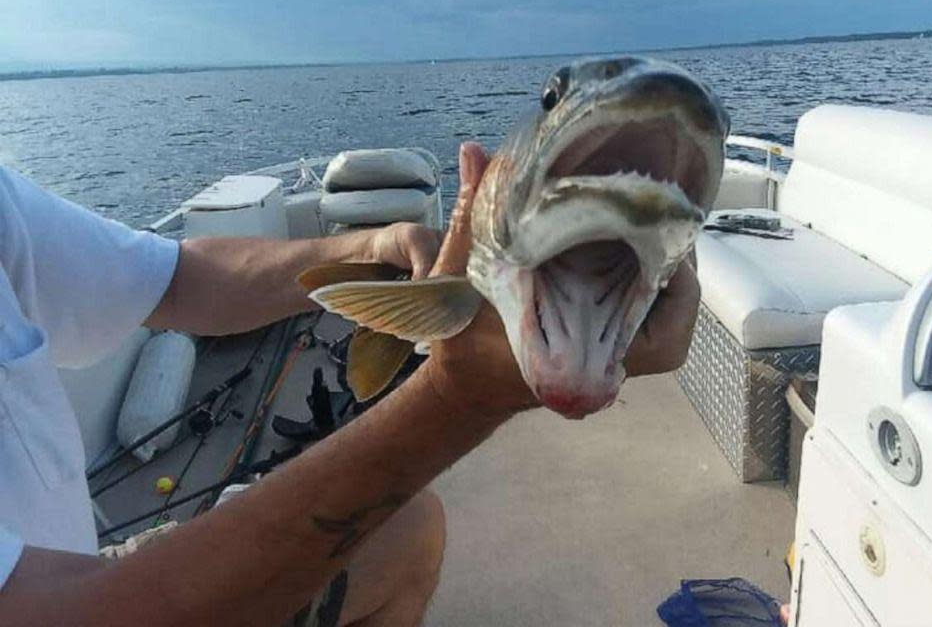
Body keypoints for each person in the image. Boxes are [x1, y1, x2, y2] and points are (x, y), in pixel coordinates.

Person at [0, 142, 701, 627]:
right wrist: (461, 396)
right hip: (73, 604)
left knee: (407, 529)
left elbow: (176, 279)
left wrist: (365, 248)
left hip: (71, 563)